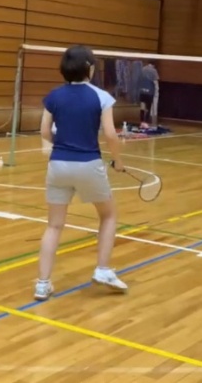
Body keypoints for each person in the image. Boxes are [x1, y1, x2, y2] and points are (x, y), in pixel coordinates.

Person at [35, 45, 127, 301]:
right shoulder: (101, 97)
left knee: (54, 225)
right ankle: (103, 270)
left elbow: (44, 132)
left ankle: (42, 284)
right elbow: (110, 134)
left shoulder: (53, 96)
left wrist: (62, 144)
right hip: (88, 164)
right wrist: (118, 161)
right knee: (108, 215)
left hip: (58, 165)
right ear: (90, 69)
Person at [138, 61, 159, 128]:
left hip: (142, 91)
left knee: (142, 107)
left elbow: (139, 80)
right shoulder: (153, 71)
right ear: (153, 65)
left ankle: (141, 122)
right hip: (149, 92)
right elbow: (155, 82)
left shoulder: (142, 69)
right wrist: (157, 91)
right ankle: (146, 122)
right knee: (148, 108)